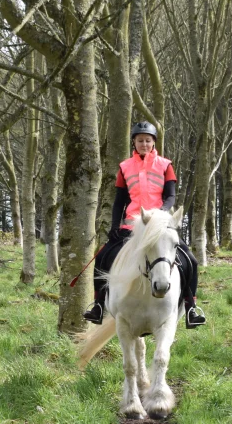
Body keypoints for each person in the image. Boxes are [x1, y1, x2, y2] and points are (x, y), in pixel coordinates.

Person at [83, 121, 206, 329]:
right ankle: (98, 305)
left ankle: (191, 307)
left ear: (153, 142)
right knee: (103, 257)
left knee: (191, 261)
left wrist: (160, 214)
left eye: (148, 140)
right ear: (134, 142)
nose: (144, 144)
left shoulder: (165, 165)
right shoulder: (124, 167)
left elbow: (170, 196)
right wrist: (115, 225)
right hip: (132, 224)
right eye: (140, 140)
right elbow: (120, 201)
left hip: (159, 224)